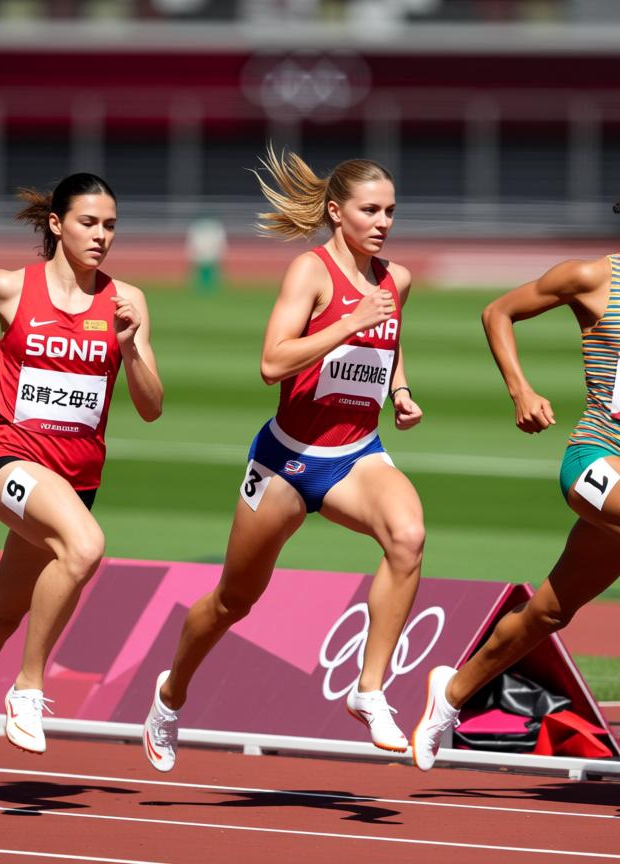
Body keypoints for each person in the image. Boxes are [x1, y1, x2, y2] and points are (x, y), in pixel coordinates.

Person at [411, 157, 620, 769]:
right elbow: (498, 312)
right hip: (596, 459)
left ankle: (449, 693)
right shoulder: (591, 278)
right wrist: (521, 389)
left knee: (551, 609)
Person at [142, 147, 425, 771]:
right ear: (336, 212)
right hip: (287, 462)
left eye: (391, 212)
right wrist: (348, 324)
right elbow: (273, 362)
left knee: (407, 537)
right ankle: (170, 693)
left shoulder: (395, 280)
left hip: (357, 455)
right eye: (370, 210)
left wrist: (400, 391)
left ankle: (370, 690)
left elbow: (389, 342)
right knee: (232, 601)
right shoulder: (311, 272)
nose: (383, 222)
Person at [0, 173, 164, 800]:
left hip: (75, 480)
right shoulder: (10, 288)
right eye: (89, 223)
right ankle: (30, 688)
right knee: (87, 546)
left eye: (111, 225)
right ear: (56, 225)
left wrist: (129, 351)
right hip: (11, 462)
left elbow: (150, 407)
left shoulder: (128, 302)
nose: (102, 236)